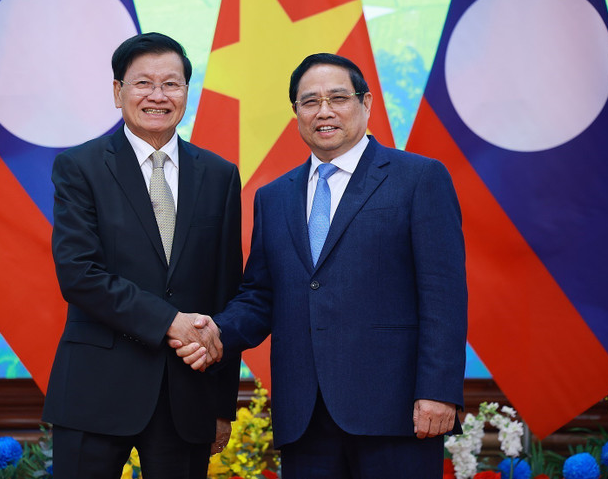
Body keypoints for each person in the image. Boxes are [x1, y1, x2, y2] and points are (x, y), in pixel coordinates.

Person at [172, 53, 467, 478]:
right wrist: (212, 333)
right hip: (305, 420)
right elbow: (260, 296)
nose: (323, 111)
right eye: (309, 101)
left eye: (338, 98)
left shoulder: (419, 178)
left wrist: (438, 392)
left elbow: (443, 295)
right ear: (296, 113)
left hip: (397, 413)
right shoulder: (273, 198)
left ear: (365, 104)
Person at [42, 32, 243, 479]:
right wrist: (169, 321)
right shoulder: (80, 168)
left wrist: (221, 404)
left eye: (171, 84)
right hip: (94, 390)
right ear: (118, 92)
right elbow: (79, 274)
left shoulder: (220, 175)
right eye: (143, 84)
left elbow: (226, 293)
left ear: (186, 92)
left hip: (187, 397)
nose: (158, 96)